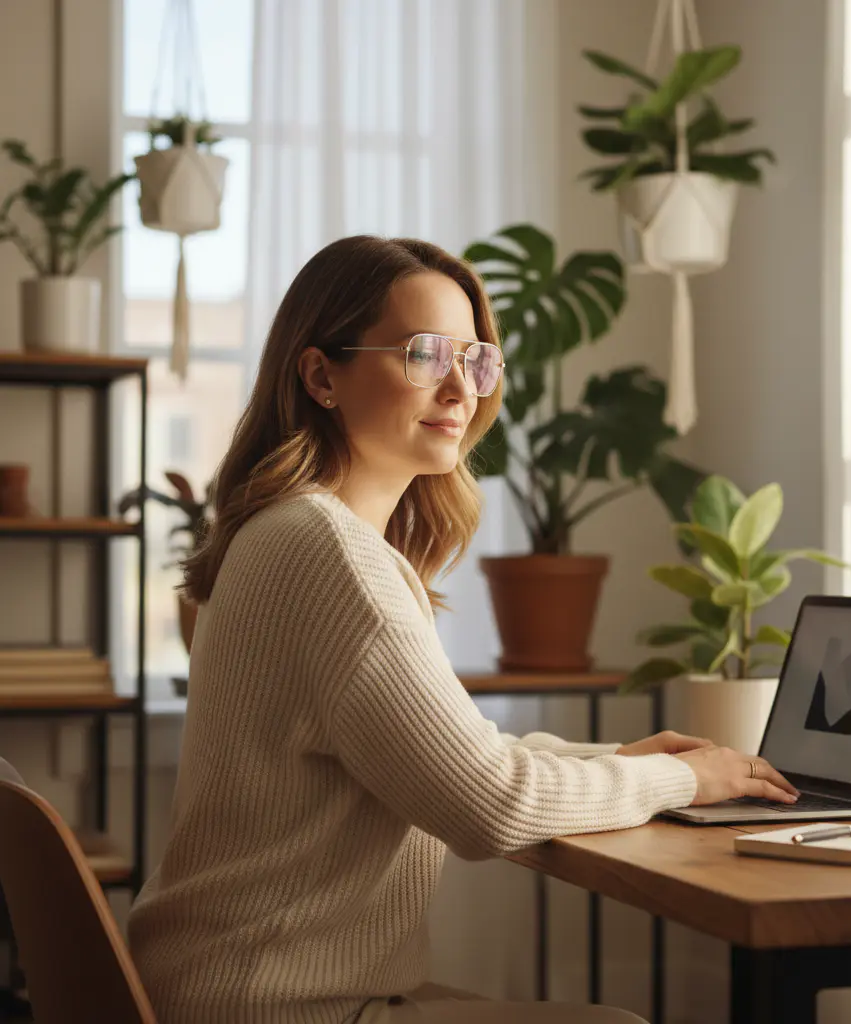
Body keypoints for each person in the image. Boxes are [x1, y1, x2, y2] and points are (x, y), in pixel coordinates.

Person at [126, 235, 799, 1024]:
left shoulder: (300, 534)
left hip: (234, 991)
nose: (460, 389)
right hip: (277, 1006)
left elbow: (461, 754)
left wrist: (619, 759)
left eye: (475, 360)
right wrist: (685, 782)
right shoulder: (326, 552)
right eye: (425, 355)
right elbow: (492, 804)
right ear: (320, 376)